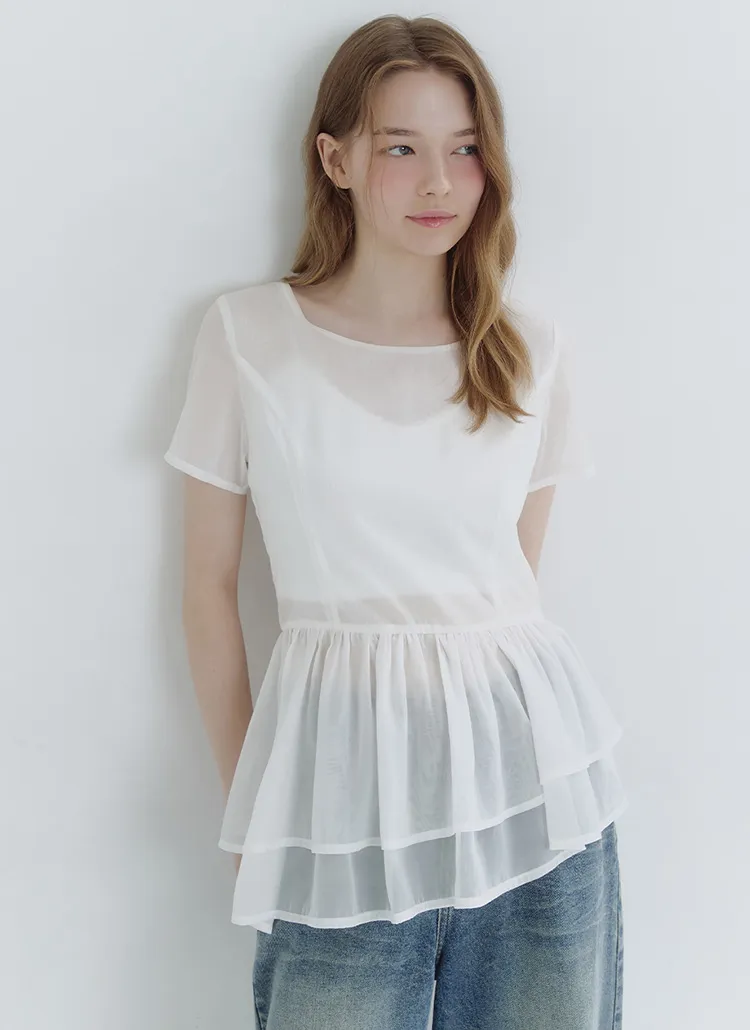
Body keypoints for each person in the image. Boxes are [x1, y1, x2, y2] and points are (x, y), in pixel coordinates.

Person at [164, 14, 627, 1030]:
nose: (439, 183)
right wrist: (252, 806)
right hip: (339, 811)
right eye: (402, 148)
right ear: (335, 159)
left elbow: (510, 592)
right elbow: (207, 588)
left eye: (465, 149)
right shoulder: (249, 336)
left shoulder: (525, 350)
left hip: (531, 798)